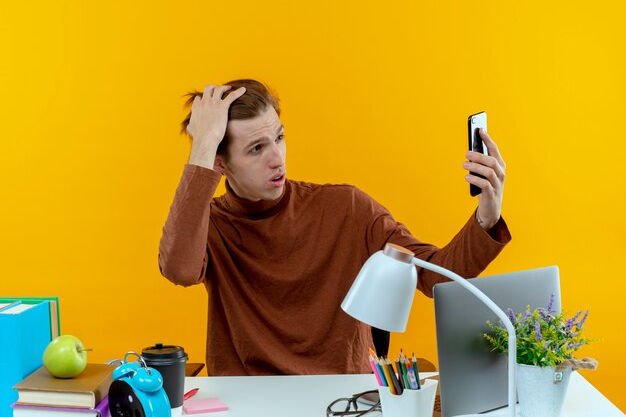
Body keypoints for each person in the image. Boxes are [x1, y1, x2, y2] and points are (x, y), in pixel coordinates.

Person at [158, 79, 511, 376]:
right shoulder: (211, 224)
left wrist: (487, 218)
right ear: (220, 163)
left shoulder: (346, 208)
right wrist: (201, 148)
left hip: (343, 398)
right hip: (248, 399)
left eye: (279, 137)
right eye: (256, 149)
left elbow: (436, 278)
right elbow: (180, 269)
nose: (277, 157)